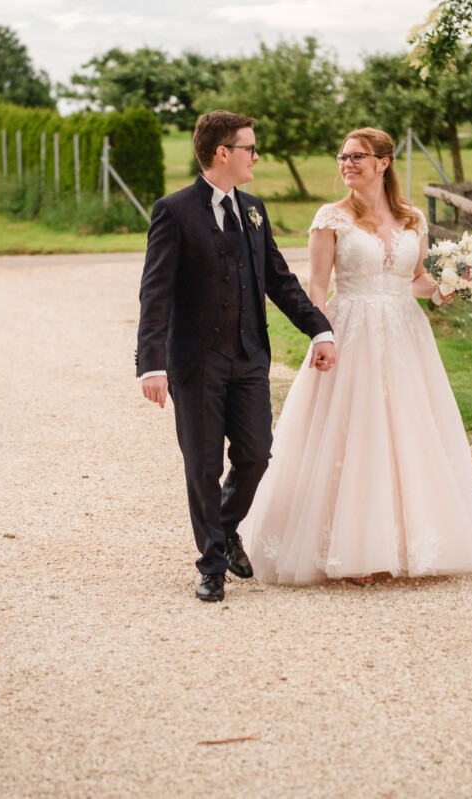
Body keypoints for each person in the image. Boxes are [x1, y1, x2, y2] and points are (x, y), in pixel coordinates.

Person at [240, 127, 472, 585]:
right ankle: (349, 549)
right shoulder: (330, 218)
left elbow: (414, 279)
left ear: (383, 162)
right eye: (342, 156)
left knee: (405, 433)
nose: (347, 163)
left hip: (404, 335)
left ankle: (398, 543)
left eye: (357, 156)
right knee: (354, 433)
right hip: (350, 329)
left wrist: (445, 289)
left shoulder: (412, 218)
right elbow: (317, 287)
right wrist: (322, 336)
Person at [136, 110, 337, 602]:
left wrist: (320, 329)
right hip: (195, 364)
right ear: (222, 153)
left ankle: (225, 530)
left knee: (255, 454)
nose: (257, 156)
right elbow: (155, 293)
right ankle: (211, 565)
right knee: (202, 465)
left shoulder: (254, 209)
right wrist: (151, 363)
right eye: (250, 148)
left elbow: (279, 280)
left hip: (248, 358)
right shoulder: (174, 211)